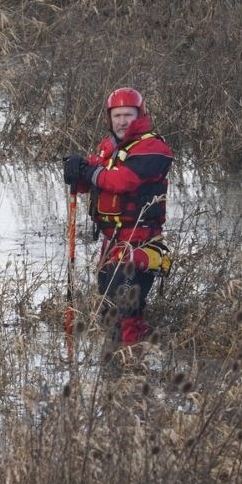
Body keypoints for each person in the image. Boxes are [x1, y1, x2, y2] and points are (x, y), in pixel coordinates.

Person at [63, 87, 173, 347]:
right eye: (117, 115)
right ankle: (132, 359)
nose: (122, 121)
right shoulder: (109, 148)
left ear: (140, 115)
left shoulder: (154, 148)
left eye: (128, 115)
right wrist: (74, 171)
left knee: (122, 307)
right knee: (111, 306)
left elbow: (124, 181)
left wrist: (88, 171)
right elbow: (91, 181)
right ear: (109, 118)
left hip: (139, 241)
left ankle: (130, 363)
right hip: (111, 241)